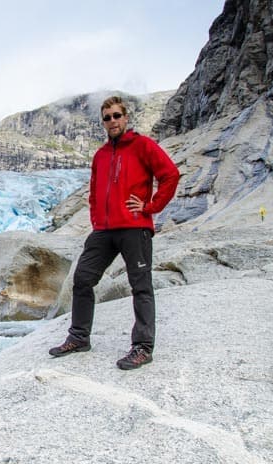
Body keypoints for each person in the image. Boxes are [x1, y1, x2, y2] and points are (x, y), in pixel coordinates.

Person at [49, 96, 180, 370]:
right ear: (103, 122)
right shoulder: (101, 155)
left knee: (141, 286)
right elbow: (95, 190)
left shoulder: (143, 146)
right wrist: (97, 219)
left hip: (135, 228)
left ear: (126, 117)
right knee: (83, 279)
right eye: (107, 117)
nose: (112, 121)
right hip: (105, 231)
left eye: (116, 115)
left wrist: (151, 206)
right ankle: (79, 338)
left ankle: (142, 347)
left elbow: (170, 175)